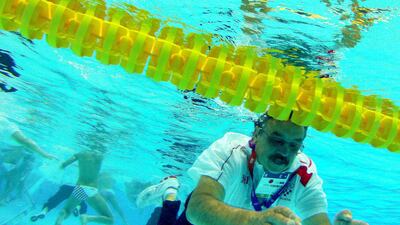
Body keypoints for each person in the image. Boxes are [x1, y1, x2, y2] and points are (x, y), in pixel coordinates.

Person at [136, 112, 369, 225]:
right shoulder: (231, 150)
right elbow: (198, 208)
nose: (285, 152)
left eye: (294, 145)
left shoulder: (304, 173)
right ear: (256, 134)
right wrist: (252, 221)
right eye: (277, 140)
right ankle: (170, 191)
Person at [0, 116, 57, 203]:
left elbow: (26, 142)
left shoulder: (7, 128)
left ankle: (6, 198)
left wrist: (44, 154)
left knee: (15, 180)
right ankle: (6, 198)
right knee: (14, 179)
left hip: (23, 160)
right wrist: (44, 154)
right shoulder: (7, 130)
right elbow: (26, 142)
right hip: (18, 157)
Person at [55, 150, 113, 225]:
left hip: (80, 188)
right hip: (92, 190)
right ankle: (88, 218)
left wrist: (61, 166)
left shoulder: (80, 153)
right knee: (110, 219)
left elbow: (64, 164)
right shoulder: (100, 155)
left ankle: (61, 217)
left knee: (66, 210)